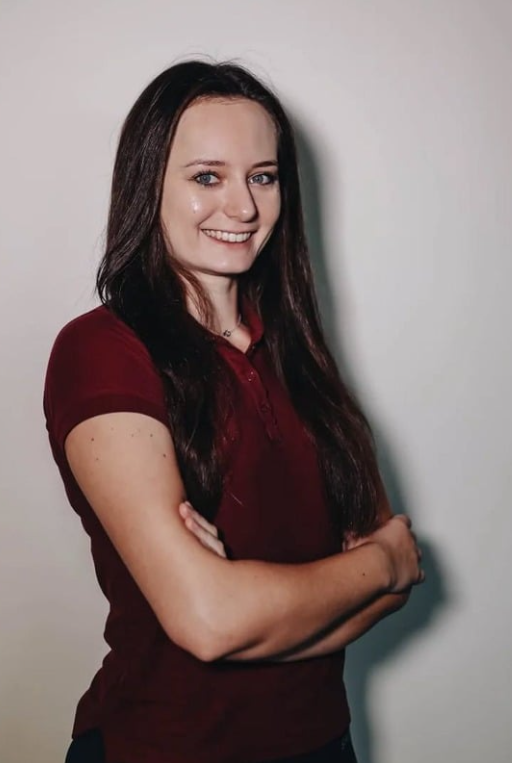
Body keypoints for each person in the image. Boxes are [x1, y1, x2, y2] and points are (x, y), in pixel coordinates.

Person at [43, 60, 424, 763]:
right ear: (148, 185)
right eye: (207, 177)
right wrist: (381, 566)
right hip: (162, 748)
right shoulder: (101, 350)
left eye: (263, 176)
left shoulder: (300, 354)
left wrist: (256, 609)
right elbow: (211, 621)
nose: (243, 207)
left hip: (325, 744)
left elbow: (381, 581)